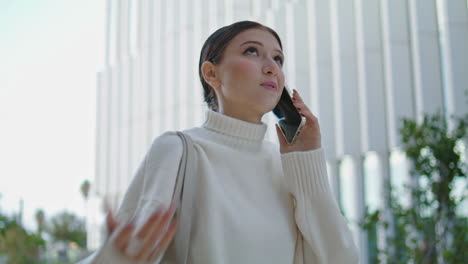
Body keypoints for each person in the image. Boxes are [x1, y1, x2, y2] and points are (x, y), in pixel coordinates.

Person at [81, 20, 359, 264]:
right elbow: (133, 248)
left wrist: (307, 160)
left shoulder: (286, 166)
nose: (272, 68)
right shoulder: (178, 149)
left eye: (278, 59)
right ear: (211, 74)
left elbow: (339, 259)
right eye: (252, 51)